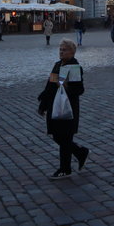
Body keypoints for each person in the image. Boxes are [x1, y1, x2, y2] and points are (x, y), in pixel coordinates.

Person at [36, 39, 88, 180]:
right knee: (57, 136)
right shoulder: (57, 65)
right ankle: (80, 152)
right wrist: (43, 104)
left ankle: (65, 169)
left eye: (64, 50)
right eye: (60, 49)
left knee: (65, 137)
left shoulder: (74, 68)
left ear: (72, 52)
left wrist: (66, 86)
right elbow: (50, 86)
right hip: (55, 106)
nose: (61, 52)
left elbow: (79, 90)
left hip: (68, 107)